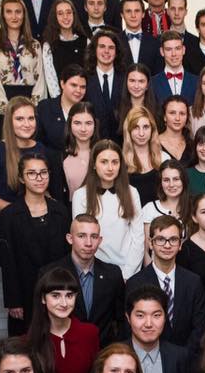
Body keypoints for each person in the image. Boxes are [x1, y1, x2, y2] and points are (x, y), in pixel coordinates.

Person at [0, 152, 69, 335]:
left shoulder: (60, 211)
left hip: (57, 292)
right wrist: (14, 300)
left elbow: (68, 255)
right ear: (21, 178)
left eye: (44, 172)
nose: (39, 178)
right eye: (32, 173)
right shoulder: (8, 216)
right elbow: (7, 261)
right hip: (25, 293)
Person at [40, 214, 125, 347]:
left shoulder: (112, 274)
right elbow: (40, 320)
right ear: (70, 238)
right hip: (63, 352)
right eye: (81, 236)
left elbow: (121, 319)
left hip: (103, 353)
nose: (88, 243)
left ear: (100, 240)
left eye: (94, 237)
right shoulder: (50, 273)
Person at [125, 215, 205, 352]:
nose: (167, 245)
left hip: (187, 360)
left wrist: (182, 358)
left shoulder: (193, 282)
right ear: (151, 243)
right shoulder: (135, 283)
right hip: (147, 358)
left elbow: (200, 327)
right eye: (161, 239)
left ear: (180, 244)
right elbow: (130, 328)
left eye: (173, 239)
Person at [28, 267, 100, 373]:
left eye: (69, 295)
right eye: (55, 296)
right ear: (43, 298)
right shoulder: (29, 341)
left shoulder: (89, 333)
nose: (64, 303)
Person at [72, 139, 144, 280]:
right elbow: (81, 238)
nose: (110, 168)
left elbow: (138, 237)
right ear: (94, 164)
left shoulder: (132, 192)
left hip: (127, 270)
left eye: (115, 162)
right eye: (104, 162)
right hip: (93, 271)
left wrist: (127, 274)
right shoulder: (80, 195)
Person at [124, 286, 191, 373]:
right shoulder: (113, 357)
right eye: (140, 316)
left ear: (165, 317)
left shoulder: (180, 357)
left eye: (156, 315)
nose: (148, 323)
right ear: (128, 318)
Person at [0, 0, 45, 140]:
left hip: (29, 98)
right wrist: (6, 109)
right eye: (9, 11)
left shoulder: (35, 44)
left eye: (18, 11)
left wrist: (33, 106)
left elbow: (40, 78)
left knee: (30, 148)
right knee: (7, 149)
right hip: (4, 99)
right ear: (3, 15)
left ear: (24, 15)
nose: (14, 16)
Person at [0, 97, 47, 212]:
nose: (27, 124)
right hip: (11, 222)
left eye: (31, 118)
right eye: (20, 119)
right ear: (9, 122)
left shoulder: (41, 149)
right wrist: (20, 212)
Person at [41, 1, 87, 98]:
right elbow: (51, 78)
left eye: (68, 12)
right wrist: (60, 103)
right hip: (60, 101)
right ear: (55, 17)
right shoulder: (49, 45)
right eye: (60, 13)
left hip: (84, 99)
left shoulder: (86, 41)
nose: (65, 17)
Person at [36, 64, 87, 152]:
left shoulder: (88, 110)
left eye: (82, 87)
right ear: (62, 84)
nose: (78, 90)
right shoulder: (45, 108)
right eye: (74, 85)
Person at [85, 31, 125, 141]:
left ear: (117, 52)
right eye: (102, 46)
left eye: (111, 47)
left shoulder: (126, 79)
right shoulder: (85, 79)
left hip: (121, 144)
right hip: (92, 144)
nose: (106, 51)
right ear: (94, 50)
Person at [122, 104, 162, 206]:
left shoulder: (164, 158)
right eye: (136, 127)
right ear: (129, 130)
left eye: (146, 127)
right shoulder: (120, 161)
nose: (141, 133)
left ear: (152, 129)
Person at [141, 160, 190, 239]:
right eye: (166, 180)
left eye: (176, 179)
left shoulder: (193, 208)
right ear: (161, 183)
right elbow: (147, 249)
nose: (171, 184)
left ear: (183, 181)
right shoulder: (149, 209)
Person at [118, 0, 163, 75]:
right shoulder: (114, 42)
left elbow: (157, 75)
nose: (133, 15)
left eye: (137, 11)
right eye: (128, 11)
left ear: (143, 14)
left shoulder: (155, 43)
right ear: (122, 15)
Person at [62, 101, 98, 201]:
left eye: (88, 123)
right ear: (70, 124)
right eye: (77, 123)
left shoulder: (103, 153)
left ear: (95, 125)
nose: (83, 129)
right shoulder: (61, 156)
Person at [151, 32, 198, 106]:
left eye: (177, 48)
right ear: (162, 52)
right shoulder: (152, 83)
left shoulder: (197, 82)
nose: (174, 54)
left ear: (183, 50)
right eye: (169, 49)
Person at [117, 64, 159, 136]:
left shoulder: (157, 111)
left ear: (147, 85)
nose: (136, 86)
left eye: (141, 81)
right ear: (126, 83)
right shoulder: (116, 110)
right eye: (132, 81)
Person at [157, 95, 195, 165]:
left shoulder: (193, 145)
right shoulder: (154, 143)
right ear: (164, 117)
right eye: (172, 113)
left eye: (182, 113)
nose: (177, 118)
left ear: (187, 117)